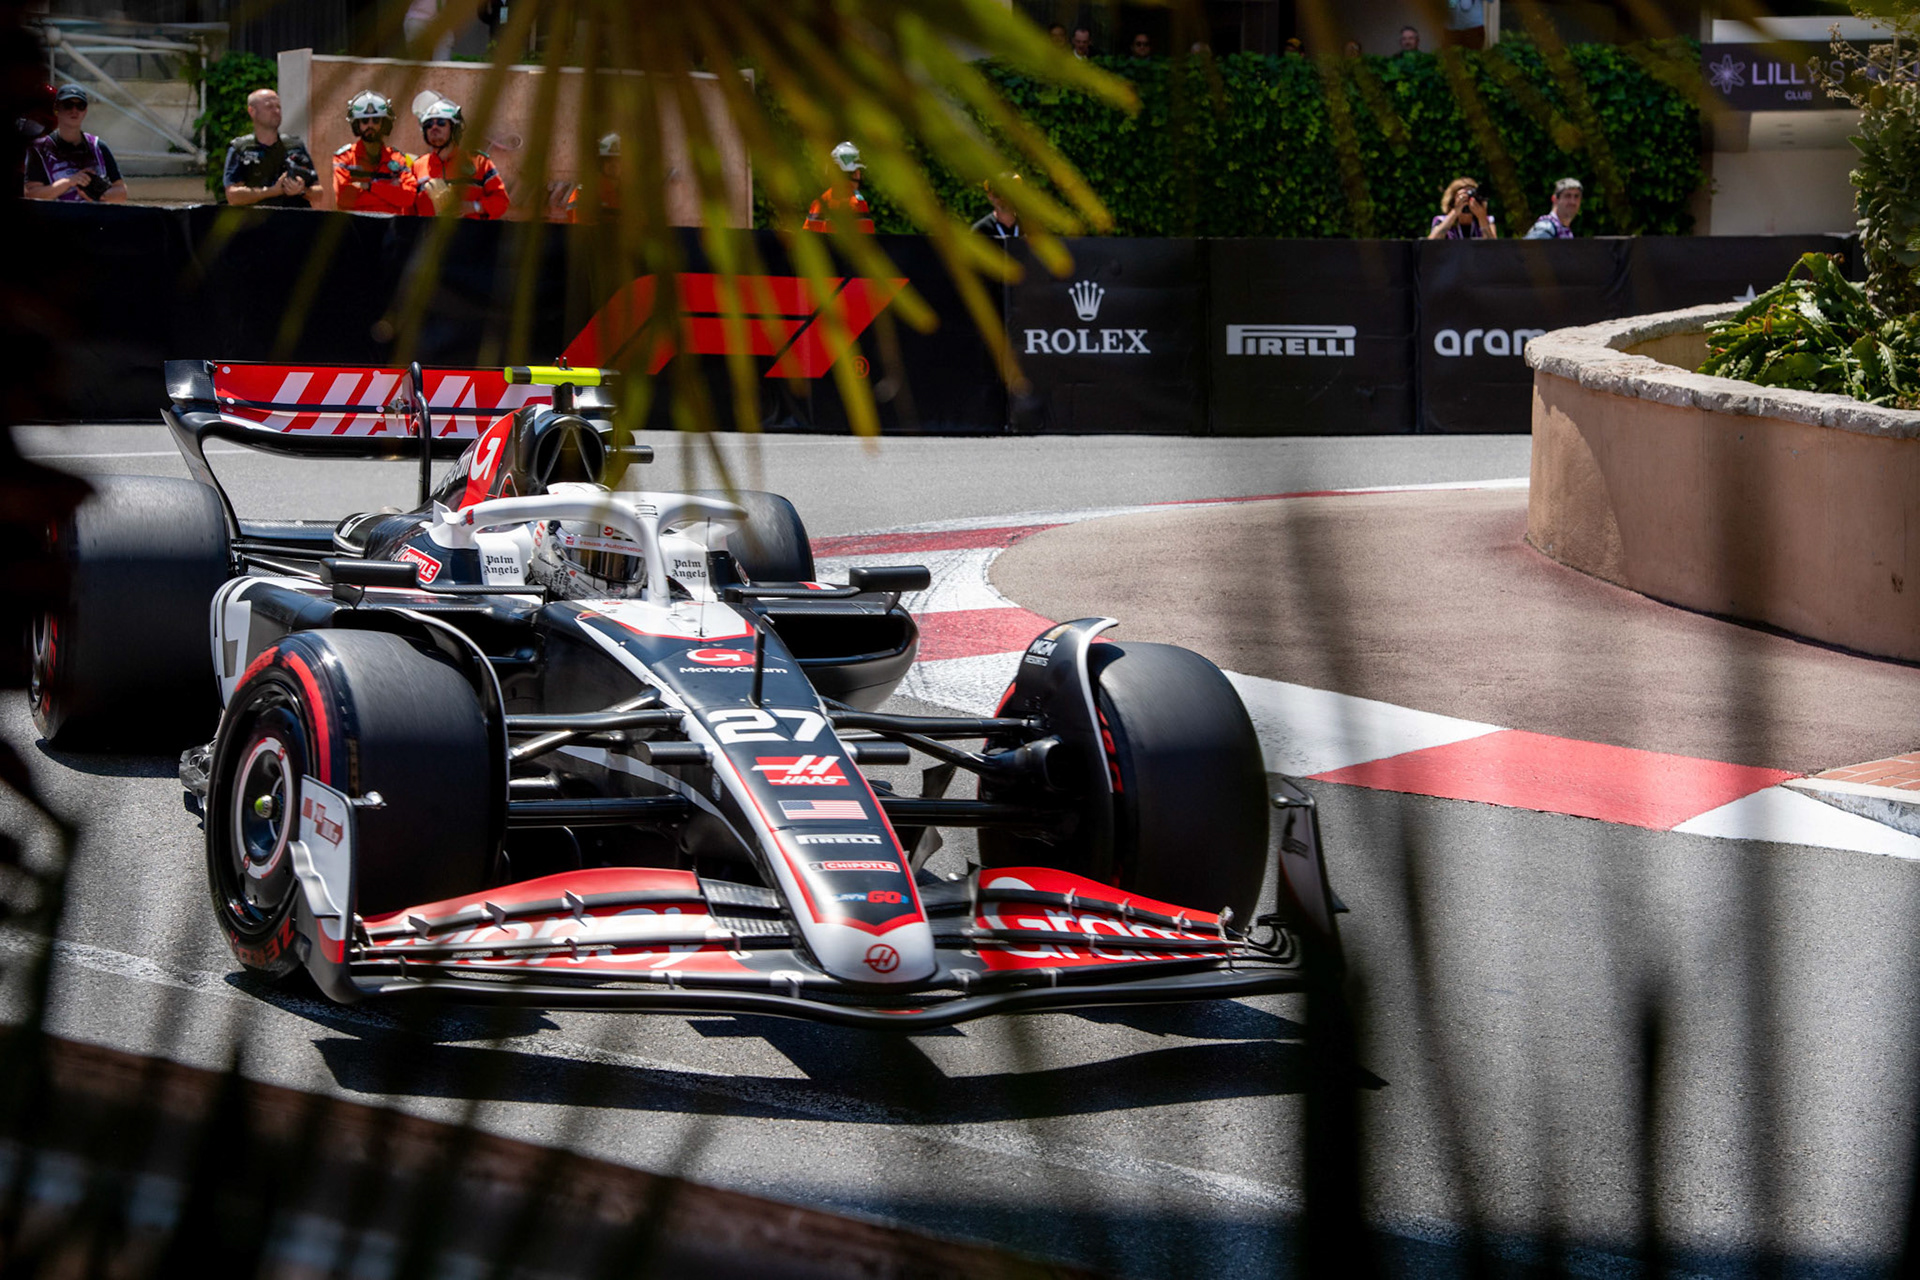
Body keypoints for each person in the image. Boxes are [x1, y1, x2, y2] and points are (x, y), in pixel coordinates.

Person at [24, 85, 125, 203]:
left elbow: (121, 192)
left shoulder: (98, 147)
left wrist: (98, 194)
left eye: (80, 106)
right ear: (56, 108)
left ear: (85, 111)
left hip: (94, 214)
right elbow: (31, 194)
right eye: (68, 105)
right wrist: (69, 182)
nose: (74, 110)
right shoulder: (40, 149)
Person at [411, 97, 508, 219]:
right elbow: (407, 214)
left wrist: (473, 207)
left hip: (469, 231)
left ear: (454, 129)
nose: (434, 127)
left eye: (441, 123)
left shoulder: (479, 162)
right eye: (428, 125)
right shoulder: (417, 167)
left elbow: (501, 202)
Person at [222, 88, 319, 209]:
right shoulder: (241, 148)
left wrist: (302, 190)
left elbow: (318, 192)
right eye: (269, 107)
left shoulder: (295, 146)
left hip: (293, 218)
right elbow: (233, 196)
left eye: (278, 107)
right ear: (252, 111)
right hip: (257, 219)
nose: (276, 111)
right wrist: (272, 191)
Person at [332, 90, 417, 214]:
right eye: (365, 121)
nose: (370, 125)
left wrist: (368, 186)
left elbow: (408, 197)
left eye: (376, 120)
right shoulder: (344, 158)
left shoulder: (398, 159)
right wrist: (390, 195)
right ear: (357, 124)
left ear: (384, 123)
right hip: (356, 225)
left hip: (389, 225)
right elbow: (343, 198)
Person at [801, 140, 874, 234]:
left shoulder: (819, 202)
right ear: (853, 173)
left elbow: (809, 236)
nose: (859, 175)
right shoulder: (858, 204)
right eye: (857, 171)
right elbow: (867, 239)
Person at [1428, 176, 1496, 239]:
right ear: (1452, 200)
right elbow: (1431, 243)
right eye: (1463, 197)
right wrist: (1455, 211)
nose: (1468, 201)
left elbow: (1493, 246)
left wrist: (1482, 218)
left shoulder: (1487, 220)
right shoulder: (1441, 220)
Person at [971, 172, 1021, 239]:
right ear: (990, 196)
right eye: (998, 193)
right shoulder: (979, 232)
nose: (1003, 197)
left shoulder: (1031, 229)